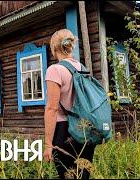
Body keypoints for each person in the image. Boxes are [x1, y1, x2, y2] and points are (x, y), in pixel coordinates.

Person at [43, 29, 96, 179]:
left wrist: (48, 144)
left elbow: (52, 108)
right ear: (71, 46)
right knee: (83, 175)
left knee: (66, 175)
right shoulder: (83, 69)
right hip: (86, 130)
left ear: (54, 48)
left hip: (64, 131)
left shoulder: (55, 70)